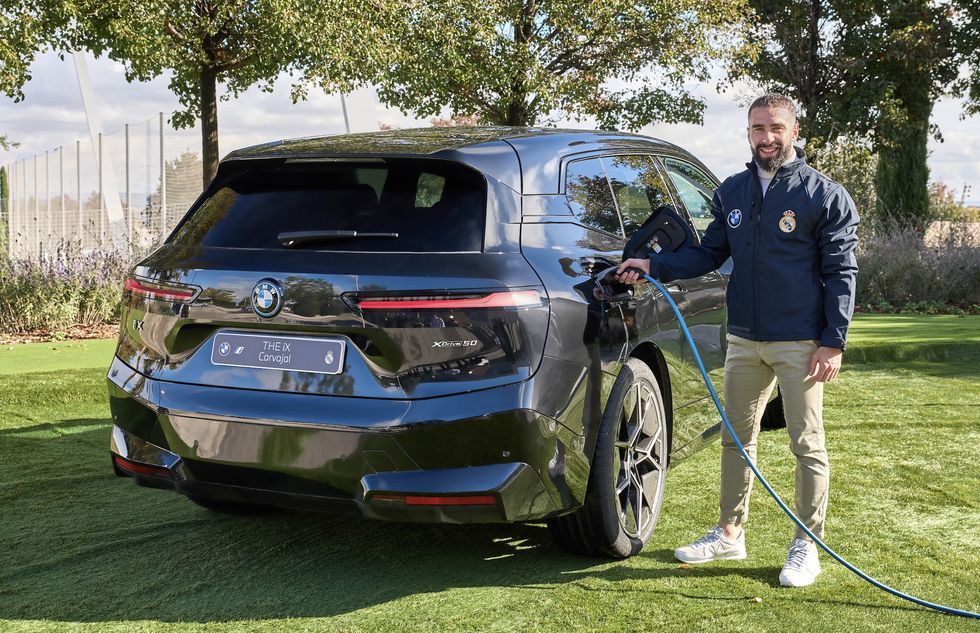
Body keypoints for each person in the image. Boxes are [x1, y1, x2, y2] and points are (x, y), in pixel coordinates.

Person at [616, 93, 859, 587]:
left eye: (775, 128)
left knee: (806, 443)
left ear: (794, 131)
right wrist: (652, 265)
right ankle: (730, 532)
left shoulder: (824, 196)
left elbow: (841, 271)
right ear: (748, 133)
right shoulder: (731, 192)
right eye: (757, 129)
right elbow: (707, 254)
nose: (767, 138)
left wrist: (833, 341)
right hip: (744, 341)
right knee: (735, 440)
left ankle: (805, 545)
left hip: (801, 343)